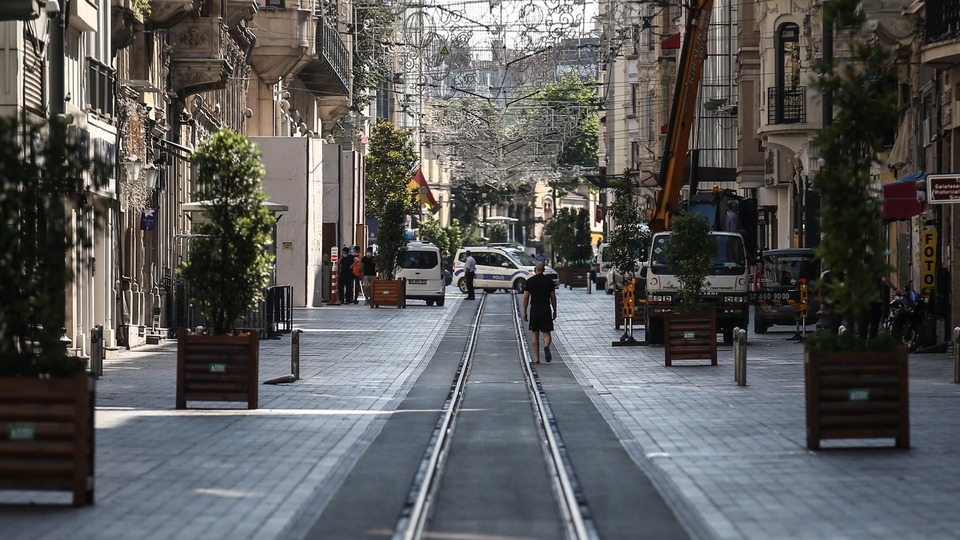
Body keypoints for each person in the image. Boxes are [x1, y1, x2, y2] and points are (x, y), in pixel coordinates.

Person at [523, 262, 557, 364]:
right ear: (544, 270)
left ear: (535, 270)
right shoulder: (549, 281)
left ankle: (537, 358)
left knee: (535, 333)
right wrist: (554, 310)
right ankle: (546, 346)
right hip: (546, 308)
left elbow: (525, 298)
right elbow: (553, 297)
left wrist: (525, 312)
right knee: (547, 333)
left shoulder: (529, 281)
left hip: (535, 309)